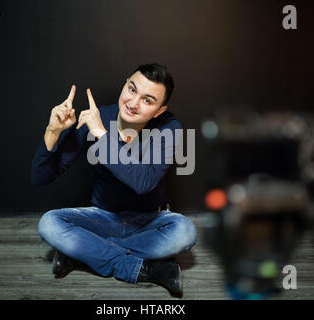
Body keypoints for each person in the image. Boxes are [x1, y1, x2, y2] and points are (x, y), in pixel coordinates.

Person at [31, 63, 196, 296]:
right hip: (103, 218)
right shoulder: (97, 118)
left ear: (159, 110)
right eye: (132, 89)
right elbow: (41, 177)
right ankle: (144, 269)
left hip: (149, 221)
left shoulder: (168, 127)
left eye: (148, 100)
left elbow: (143, 182)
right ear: (125, 83)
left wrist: (102, 135)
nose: (133, 103)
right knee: (49, 223)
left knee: (185, 232)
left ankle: (84, 255)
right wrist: (52, 131)